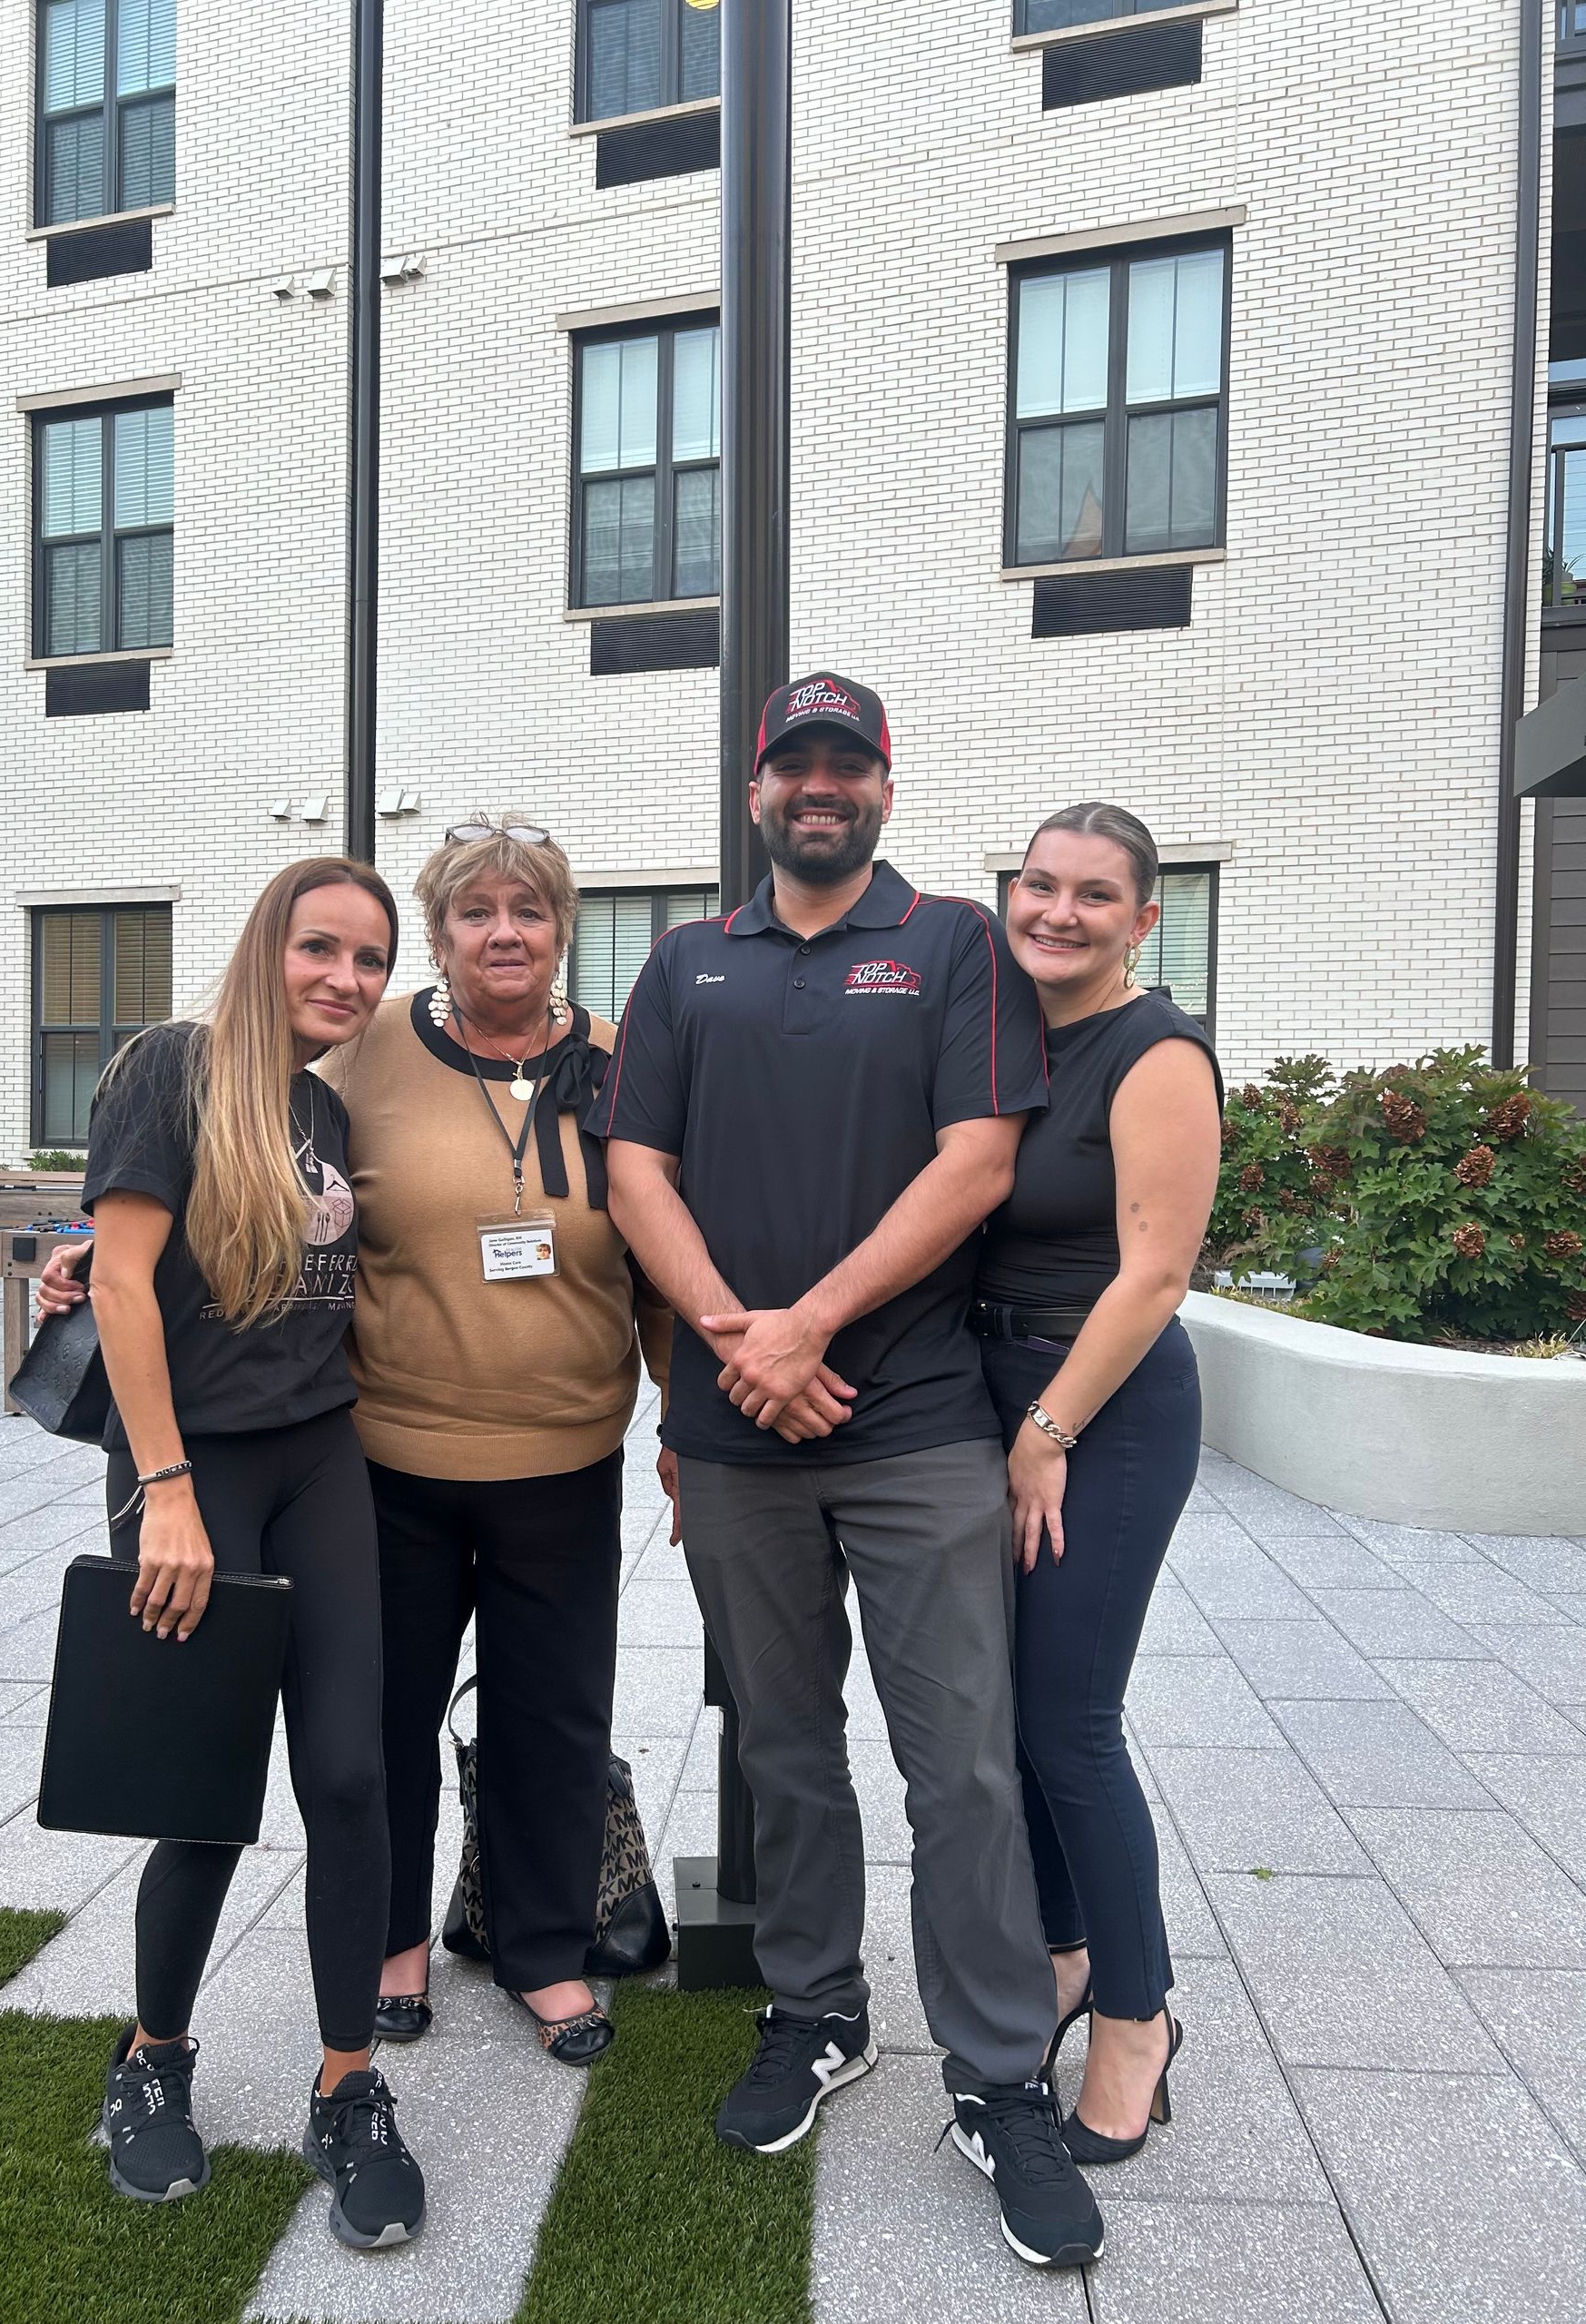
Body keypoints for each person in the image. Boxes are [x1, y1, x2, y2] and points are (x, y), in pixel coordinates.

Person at [596, 674, 1105, 2271]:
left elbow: (982, 1158)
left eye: (847, 766)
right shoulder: (687, 960)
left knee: (962, 1759)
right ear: (758, 791)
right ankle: (818, 2010)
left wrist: (803, 1324)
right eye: (794, 766)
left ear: (884, 787)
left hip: (916, 1423)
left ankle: (999, 2075)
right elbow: (634, 1167)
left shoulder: (953, 942)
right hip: (735, 1436)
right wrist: (738, 1344)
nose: (820, 789)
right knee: (785, 1745)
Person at [67, 857, 428, 2250]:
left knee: (349, 1775)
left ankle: (349, 2083)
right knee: (203, 1794)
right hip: (193, 1468)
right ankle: (153, 2060)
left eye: (370, 959)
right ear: (267, 943)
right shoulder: (171, 1066)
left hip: (319, 1460)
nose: (345, 978)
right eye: (320, 947)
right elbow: (115, 1278)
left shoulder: (324, 1104)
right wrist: (162, 1485)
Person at [320, 817, 671, 2067]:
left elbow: (665, 1257)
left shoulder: (631, 1061)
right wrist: (107, 1248)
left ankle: (541, 1948)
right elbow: (243, 1164)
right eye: (478, 912)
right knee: (383, 1714)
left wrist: (683, 1418)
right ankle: (389, 1943)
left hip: (567, 1461)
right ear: (440, 932)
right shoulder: (362, 1055)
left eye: (528, 910)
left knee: (555, 1717)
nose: (505, 933)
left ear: (561, 927)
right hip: (387, 1461)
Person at [974, 802, 1222, 2163]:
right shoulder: (1010, 1033)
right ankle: (1066, 1958)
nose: (1057, 912)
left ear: (1144, 918)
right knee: (1014, 1721)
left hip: (1103, 1412)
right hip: (1000, 1395)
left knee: (1070, 1722)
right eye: (1039, 886)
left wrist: (1049, 1429)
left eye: (1093, 895)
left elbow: (1156, 1274)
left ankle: (1139, 2020)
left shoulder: (1156, 1050)